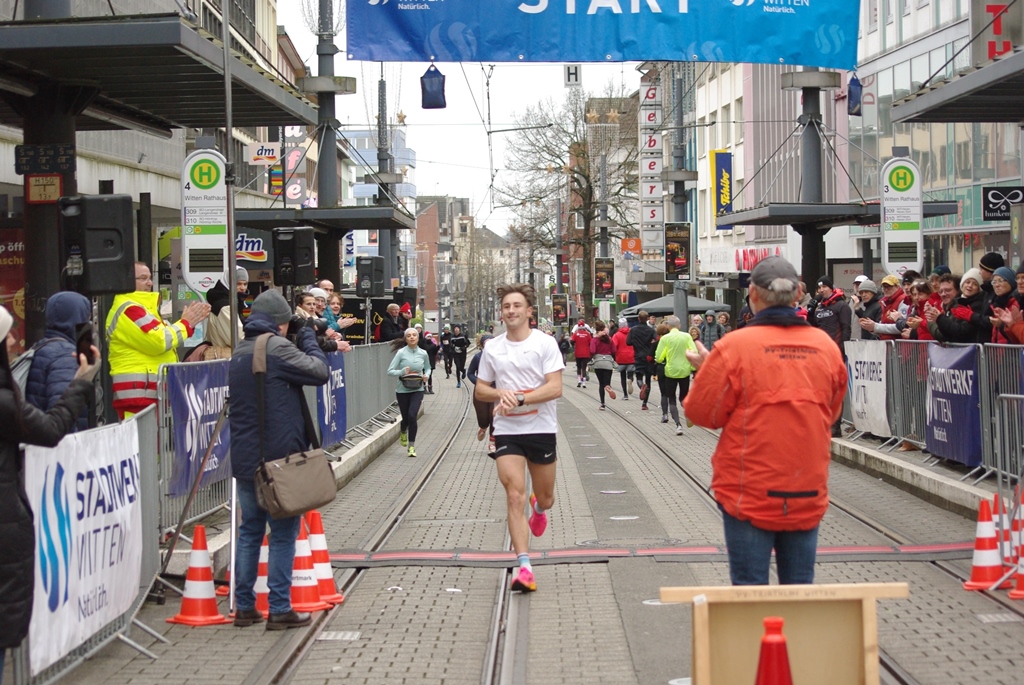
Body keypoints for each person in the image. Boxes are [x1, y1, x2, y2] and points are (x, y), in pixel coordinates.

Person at [683, 256, 847, 585]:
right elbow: (832, 413)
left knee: (749, 592)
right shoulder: (825, 347)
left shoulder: (733, 347)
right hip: (806, 488)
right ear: (799, 293)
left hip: (748, 492)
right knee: (800, 592)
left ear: (753, 295)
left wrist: (707, 371)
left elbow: (701, 414)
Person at [0, 305, 101, 675]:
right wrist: (82, 379)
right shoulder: (5, 402)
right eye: (7, 335)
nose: (14, 340)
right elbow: (49, 428)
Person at [228, 289, 330, 631]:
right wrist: (310, 339)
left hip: (246, 458)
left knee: (249, 531)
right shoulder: (278, 346)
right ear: (280, 324)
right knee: (284, 533)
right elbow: (318, 372)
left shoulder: (240, 350)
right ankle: (279, 608)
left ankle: (244, 607)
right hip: (279, 461)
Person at [474, 283, 564, 593]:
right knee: (514, 495)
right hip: (508, 429)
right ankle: (524, 566)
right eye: (506, 307)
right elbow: (480, 389)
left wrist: (522, 398)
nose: (510, 311)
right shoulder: (493, 348)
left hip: (541, 428)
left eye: (516, 306)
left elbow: (555, 387)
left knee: (547, 496)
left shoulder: (545, 344)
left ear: (529, 311)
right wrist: (501, 393)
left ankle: (538, 507)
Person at [106, 262, 211, 419]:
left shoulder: (140, 309)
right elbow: (160, 341)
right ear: (127, 281)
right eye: (143, 278)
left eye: (150, 278)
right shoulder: (130, 309)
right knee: (145, 443)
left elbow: (164, 337)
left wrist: (185, 324)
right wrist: (185, 324)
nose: (149, 283)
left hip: (144, 394)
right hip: (139, 396)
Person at [25, 291, 94, 432]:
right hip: (60, 448)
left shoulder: (41, 347)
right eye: (87, 316)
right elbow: (63, 414)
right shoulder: (65, 355)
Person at [387, 328, 430, 457]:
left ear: (418, 338)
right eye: (409, 336)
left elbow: (428, 368)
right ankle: (403, 429)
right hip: (402, 389)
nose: (412, 337)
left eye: (414, 335)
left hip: (418, 388)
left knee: (412, 416)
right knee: (405, 418)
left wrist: (426, 375)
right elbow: (390, 371)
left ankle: (411, 447)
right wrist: (401, 372)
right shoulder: (401, 353)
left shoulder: (423, 353)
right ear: (405, 339)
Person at [654, 315, 697, 435]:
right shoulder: (687, 336)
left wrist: (660, 359)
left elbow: (659, 355)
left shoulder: (665, 338)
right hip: (684, 371)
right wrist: (692, 367)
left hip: (671, 372)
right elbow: (694, 351)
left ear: (668, 326)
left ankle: (678, 425)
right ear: (679, 325)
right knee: (683, 397)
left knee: (671, 398)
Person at [466, 334, 495, 450]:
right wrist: (477, 382)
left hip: (495, 389)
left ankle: (492, 441)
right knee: (483, 416)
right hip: (481, 390)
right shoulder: (478, 357)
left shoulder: (500, 357)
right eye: (486, 343)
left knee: (494, 415)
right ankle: (483, 427)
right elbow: (470, 373)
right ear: (482, 345)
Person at [627, 310, 656, 411]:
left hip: (638, 356)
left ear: (638, 319)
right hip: (648, 357)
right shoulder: (651, 330)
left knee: (639, 376)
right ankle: (644, 403)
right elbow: (656, 340)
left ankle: (641, 386)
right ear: (647, 319)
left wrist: (636, 342)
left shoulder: (633, 330)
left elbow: (628, 342)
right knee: (648, 379)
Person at [987, 266, 1019, 344]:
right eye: (994, 282)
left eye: (1000, 281)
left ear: (1011, 282)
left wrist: (1002, 325)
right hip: (998, 353)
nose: (997, 285)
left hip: (1013, 353)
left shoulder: (1016, 304)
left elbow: (1018, 334)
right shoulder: (995, 304)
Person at [589, 320, 617, 410]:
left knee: (601, 384)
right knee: (606, 383)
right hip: (608, 362)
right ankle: (608, 386)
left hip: (598, 363)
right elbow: (614, 351)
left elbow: (592, 351)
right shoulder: (609, 340)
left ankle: (602, 404)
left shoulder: (595, 340)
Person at [611, 317, 635, 400]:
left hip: (621, 358)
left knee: (622, 376)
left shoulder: (616, 335)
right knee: (630, 372)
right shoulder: (632, 333)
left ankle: (625, 395)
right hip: (631, 357)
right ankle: (630, 379)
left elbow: (613, 347)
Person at [571, 320, 593, 388]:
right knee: (584, 367)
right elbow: (591, 342)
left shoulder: (576, 334)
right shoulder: (587, 334)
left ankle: (578, 381)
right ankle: (584, 382)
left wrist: (574, 345)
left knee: (579, 367)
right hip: (586, 353)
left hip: (578, 353)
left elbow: (572, 341)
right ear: (584, 327)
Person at [419, 328, 440, 394]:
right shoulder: (423, 344)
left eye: (430, 336)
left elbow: (434, 353)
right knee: (424, 374)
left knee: (430, 375)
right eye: (428, 336)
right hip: (424, 361)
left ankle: (430, 388)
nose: (429, 338)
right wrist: (434, 347)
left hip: (431, 361)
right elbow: (426, 349)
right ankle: (424, 387)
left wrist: (437, 347)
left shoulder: (433, 345)